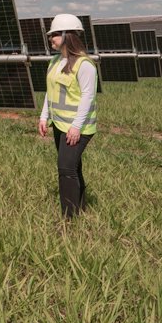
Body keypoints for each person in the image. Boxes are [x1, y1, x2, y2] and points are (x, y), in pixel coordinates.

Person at [38, 13, 97, 219]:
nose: (50, 39)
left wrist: (76, 127)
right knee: (73, 167)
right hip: (60, 125)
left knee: (65, 169)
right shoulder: (54, 62)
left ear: (66, 35)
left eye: (54, 34)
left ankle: (68, 219)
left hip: (77, 127)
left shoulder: (84, 64)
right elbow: (50, 91)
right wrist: (43, 117)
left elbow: (88, 97)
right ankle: (80, 209)